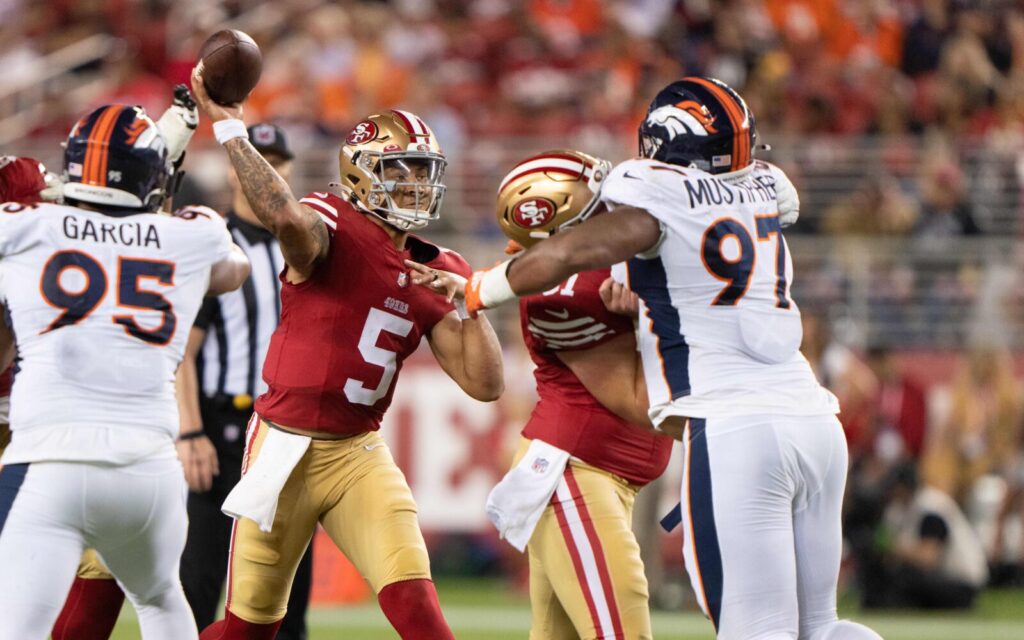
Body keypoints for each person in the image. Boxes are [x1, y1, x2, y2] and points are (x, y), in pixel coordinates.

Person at [460, 77, 882, 640]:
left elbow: (575, 252)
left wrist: (477, 289)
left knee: (756, 631)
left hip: (738, 428)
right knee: (821, 627)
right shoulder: (763, 185)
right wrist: (646, 315)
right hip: (814, 422)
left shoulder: (647, 200)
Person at [190, 66, 504, 640]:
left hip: (357, 452)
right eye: (399, 171)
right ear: (359, 177)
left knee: (421, 613)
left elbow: (485, 385)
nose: (414, 185)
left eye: (422, 173)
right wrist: (232, 130)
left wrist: (472, 303)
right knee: (247, 631)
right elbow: (285, 217)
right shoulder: (332, 222)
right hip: (281, 448)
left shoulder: (441, 268)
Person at [0, 103, 250, 639]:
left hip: (50, 463)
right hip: (149, 473)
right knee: (161, 598)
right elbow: (233, 272)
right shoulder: (194, 234)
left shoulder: (24, 227)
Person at [482, 150, 673, 639]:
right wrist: (654, 321)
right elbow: (643, 406)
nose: (615, 212)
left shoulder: (617, 271)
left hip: (603, 479)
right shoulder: (564, 295)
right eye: (599, 207)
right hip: (575, 477)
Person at [175, 123, 312, 638]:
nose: (272, 173)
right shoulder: (218, 244)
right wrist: (190, 432)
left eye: (279, 163)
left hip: (288, 432)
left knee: (287, 588)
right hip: (223, 425)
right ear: (236, 170)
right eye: (262, 161)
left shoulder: (302, 247)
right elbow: (182, 353)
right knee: (200, 578)